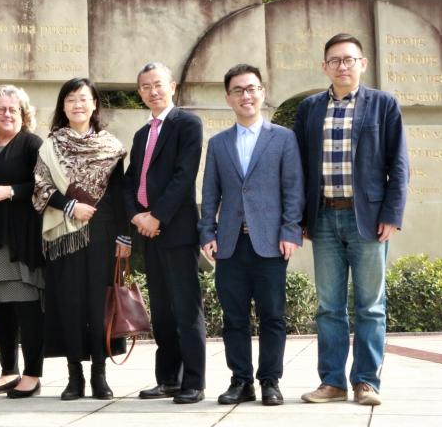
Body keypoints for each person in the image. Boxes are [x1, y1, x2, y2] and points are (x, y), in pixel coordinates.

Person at [294, 33, 409, 406]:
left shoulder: (383, 105)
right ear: (324, 66)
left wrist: (391, 214)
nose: (342, 66)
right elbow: (298, 169)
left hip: (369, 221)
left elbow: (399, 164)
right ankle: (332, 382)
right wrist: (300, 217)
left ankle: (366, 382)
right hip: (324, 218)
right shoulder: (309, 108)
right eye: (335, 60)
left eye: (349, 59)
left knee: (371, 306)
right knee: (328, 306)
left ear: (363, 63)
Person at [199, 64, 304, 406]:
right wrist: (207, 231)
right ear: (228, 98)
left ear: (262, 92)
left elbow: (293, 189)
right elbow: (210, 193)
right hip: (230, 243)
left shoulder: (283, 138)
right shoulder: (218, 143)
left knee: (273, 315)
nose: (246, 95)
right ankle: (241, 381)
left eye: (251, 88)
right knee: (234, 317)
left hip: (271, 243)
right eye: (238, 90)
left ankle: (270, 381)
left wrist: (290, 231)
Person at [34, 77, 130, 401]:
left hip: (103, 233)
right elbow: (41, 187)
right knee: (69, 303)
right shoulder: (50, 146)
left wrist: (124, 236)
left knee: (99, 304)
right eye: (71, 99)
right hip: (65, 235)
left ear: (94, 104)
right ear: (63, 106)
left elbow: (119, 194)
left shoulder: (111, 147)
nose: (77, 104)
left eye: (83, 98)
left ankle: (99, 375)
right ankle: (74, 376)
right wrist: (70, 206)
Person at [124, 62, 208, 405]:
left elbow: (184, 176)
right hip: (148, 232)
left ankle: (194, 381)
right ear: (140, 92)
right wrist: (136, 216)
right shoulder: (141, 134)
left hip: (176, 230)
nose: (152, 91)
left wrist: (157, 216)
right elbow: (131, 180)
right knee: (161, 310)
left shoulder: (187, 124)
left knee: (186, 308)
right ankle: (168, 379)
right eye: (145, 87)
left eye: (158, 84)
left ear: (172, 86)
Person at [0, 85, 45, 399]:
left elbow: (45, 185)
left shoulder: (31, 144)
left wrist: (11, 190)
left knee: (26, 306)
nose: (7, 114)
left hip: (20, 238)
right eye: (0, 109)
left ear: (23, 114)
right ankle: (8, 371)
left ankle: (32, 374)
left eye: (13, 109)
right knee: (0, 307)